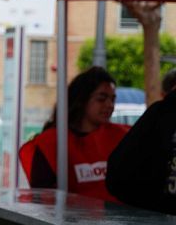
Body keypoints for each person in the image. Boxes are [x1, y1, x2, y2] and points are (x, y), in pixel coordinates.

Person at [20, 66, 129, 201]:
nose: (110, 105)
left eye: (112, 99)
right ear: (82, 100)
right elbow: (42, 196)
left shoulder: (123, 136)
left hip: (117, 220)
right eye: (102, 99)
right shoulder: (52, 142)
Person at [106, 69, 176, 214]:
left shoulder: (161, 113)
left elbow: (117, 177)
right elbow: (118, 175)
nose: (108, 105)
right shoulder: (162, 114)